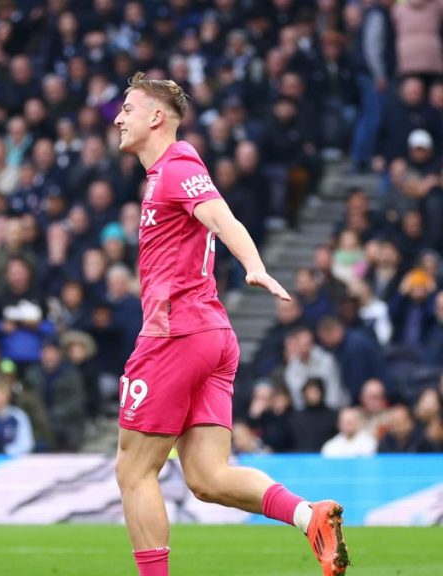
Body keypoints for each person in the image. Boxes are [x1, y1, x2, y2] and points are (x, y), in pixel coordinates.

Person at [112, 73, 349, 576]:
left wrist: (254, 264)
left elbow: (222, 218)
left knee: (134, 471)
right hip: (212, 336)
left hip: (175, 334)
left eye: (128, 108)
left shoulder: (177, 164)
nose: (118, 116)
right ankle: (311, 516)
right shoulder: (158, 176)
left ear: (157, 117)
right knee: (207, 476)